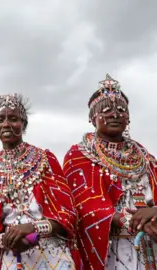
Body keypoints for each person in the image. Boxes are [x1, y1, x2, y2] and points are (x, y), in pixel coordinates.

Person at [63, 74, 157, 269]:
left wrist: (154, 212)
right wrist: (132, 221)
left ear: (128, 118)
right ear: (92, 118)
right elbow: (84, 206)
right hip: (111, 249)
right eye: (106, 110)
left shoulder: (145, 157)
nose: (115, 114)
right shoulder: (79, 155)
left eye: (121, 110)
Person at [0, 94, 78, 269]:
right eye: (0, 119)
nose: (6, 124)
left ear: (24, 124)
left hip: (52, 255)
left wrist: (33, 229)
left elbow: (67, 216)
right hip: (13, 257)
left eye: (13, 119)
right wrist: (8, 240)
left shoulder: (45, 160)